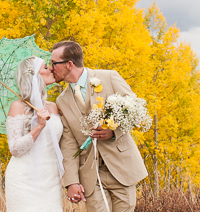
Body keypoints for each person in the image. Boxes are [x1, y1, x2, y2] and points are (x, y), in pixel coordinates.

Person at [50, 41, 148, 212]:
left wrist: (113, 131)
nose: (51, 68)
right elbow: (68, 143)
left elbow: (136, 110)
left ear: (69, 65)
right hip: (91, 175)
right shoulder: (61, 100)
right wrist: (71, 181)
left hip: (121, 168)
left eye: (53, 63)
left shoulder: (109, 77)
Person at [4, 56, 65, 211]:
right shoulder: (17, 107)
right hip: (24, 181)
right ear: (34, 76)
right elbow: (15, 149)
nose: (51, 68)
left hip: (51, 179)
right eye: (45, 67)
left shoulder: (53, 107)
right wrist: (39, 126)